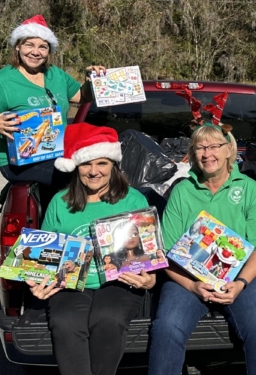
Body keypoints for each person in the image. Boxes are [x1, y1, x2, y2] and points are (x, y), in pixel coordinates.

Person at [149, 123, 256, 375]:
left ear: (229, 149)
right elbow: (167, 253)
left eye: (214, 146)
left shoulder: (249, 188)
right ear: (193, 153)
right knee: (166, 326)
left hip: (243, 278)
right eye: (200, 147)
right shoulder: (182, 191)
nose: (208, 154)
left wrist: (240, 283)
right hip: (188, 278)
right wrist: (192, 286)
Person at [26, 122, 155, 375]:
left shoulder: (134, 200)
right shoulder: (59, 203)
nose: (94, 171)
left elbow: (147, 253)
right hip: (71, 283)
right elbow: (43, 256)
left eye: (102, 163)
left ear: (113, 166)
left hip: (119, 281)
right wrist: (36, 281)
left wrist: (150, 280)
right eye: (87, 163)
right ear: (76, 166)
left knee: (108, 319)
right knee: (65, 322)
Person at [0, 14, 106, 187]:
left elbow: (82, 97)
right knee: (76, 179)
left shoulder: (56, 74)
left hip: (57, 153)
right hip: (19, 162)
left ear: (48, 51)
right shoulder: (3, 81)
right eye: (29, 45)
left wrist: (91, 81)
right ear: (18, 47)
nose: (36, 52)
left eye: (43, 47)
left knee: (98, 171)